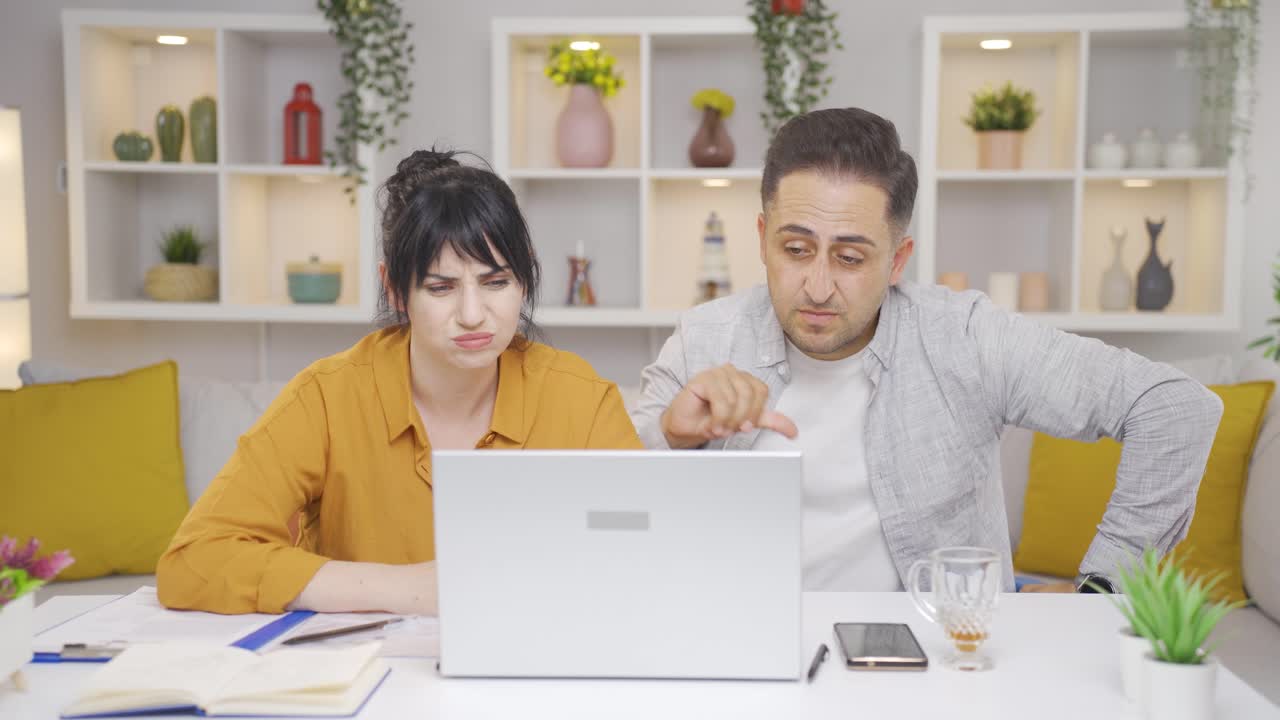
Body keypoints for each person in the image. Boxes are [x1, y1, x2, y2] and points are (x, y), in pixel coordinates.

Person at [630, 108, 1223, 594]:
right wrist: (672, 437)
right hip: (736, 643)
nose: (816, 286)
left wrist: (1105, 592)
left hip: (932, 664)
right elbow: (609, 500)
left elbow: (1175, 409)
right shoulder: (705, 338)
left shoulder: (964, 337)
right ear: (763, 240)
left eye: (851, 257)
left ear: (898, 260)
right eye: (796, 248)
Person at [158, 149, 642, 615]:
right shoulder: (327, 396)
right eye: (440, 288)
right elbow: (193, 560)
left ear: (525, 278)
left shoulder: (582, 399)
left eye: (496, 282)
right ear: (395, 289)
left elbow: (645, 557)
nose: (473, 315)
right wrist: (411, 588)